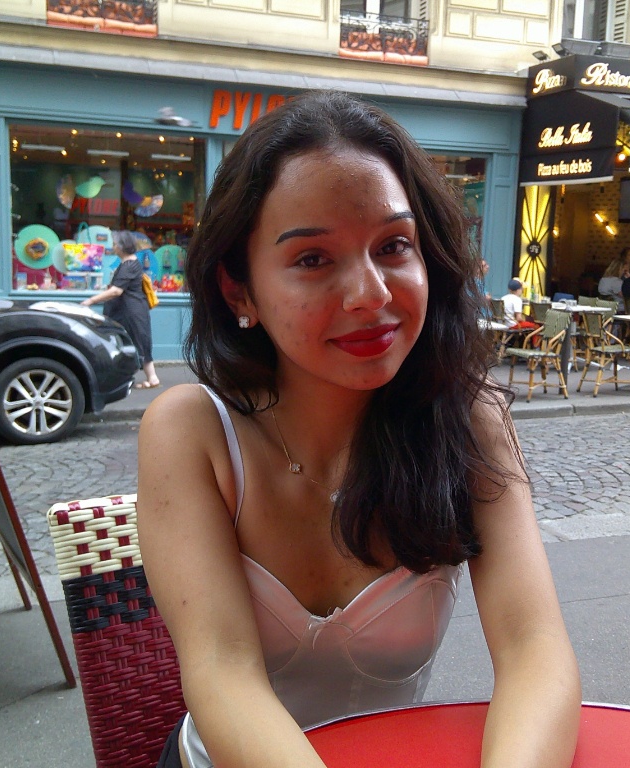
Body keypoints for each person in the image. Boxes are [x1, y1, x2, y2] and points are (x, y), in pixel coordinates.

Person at [137, 91, 580, 768]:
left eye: (393, 246)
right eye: (312, 259)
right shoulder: (192, 429)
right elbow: (223, 673)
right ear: (239, 292)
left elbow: (533, 652)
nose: (371, 293)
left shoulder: (468, 420)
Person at [81, 229, 160, 389]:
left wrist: (91, 300)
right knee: (135, 342)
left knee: (135, 343)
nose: (113, 246)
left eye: (115, 244)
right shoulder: (128, 264)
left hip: (130, 313)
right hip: (128, 312)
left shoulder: (129, 265)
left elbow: (117, 291)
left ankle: (149, 378)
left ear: (123, 247)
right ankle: (150, 378)